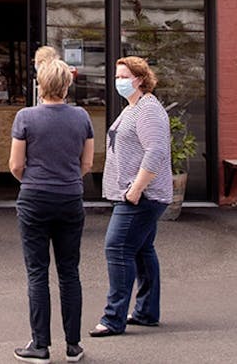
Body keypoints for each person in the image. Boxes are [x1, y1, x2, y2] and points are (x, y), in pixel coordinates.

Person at [9, 57, 94, 363]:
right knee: (70, 272)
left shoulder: (25, 117)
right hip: (70, 197)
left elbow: (16, 165)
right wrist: (67, 179)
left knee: (37, 273)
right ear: (67, 84)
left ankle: (40, 345)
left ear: (40, 85)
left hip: (34, 198)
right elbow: (87, 163)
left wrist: (31, 180)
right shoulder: (82, 117)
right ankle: (73, 345)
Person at [90, 56, 172, 338]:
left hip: (141, 196)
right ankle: (147, 312)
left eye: (123, 76)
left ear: (139, 78)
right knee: (141, 250)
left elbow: (156, 151)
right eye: (116, 76)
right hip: (134, 194)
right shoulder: (133, 107)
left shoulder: (148, 109)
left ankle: (113, 318)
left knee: (117, 248)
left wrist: (136, 189)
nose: (118, 81)